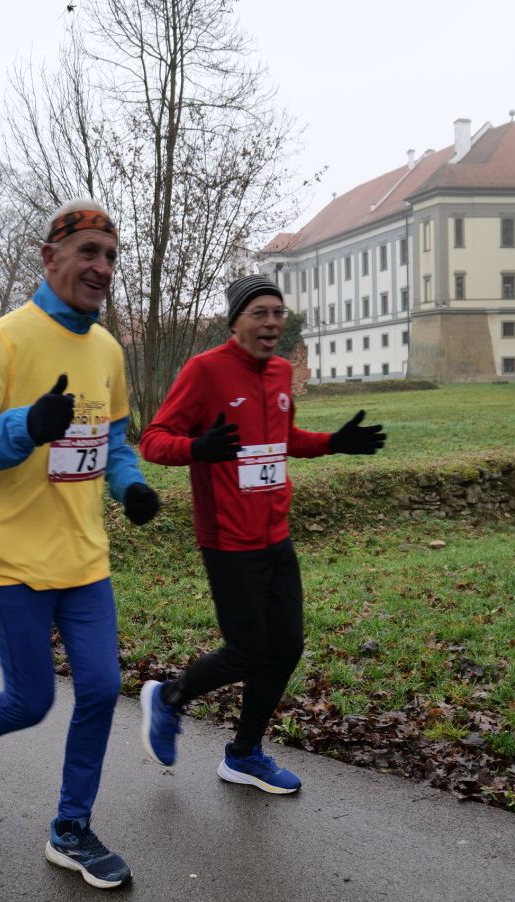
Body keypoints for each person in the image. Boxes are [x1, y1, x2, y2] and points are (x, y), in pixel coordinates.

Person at [0, 198, 161, 890]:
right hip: (14, 557)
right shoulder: (6, 340)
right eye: (88, 252)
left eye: (111, 256)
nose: (102, 267)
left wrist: (131, 486)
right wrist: (27, 424)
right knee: (29, 700)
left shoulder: (110, 350)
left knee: (101, 687)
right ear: (50, 259)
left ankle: (70, 828)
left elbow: (113, 442)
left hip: (83, 556)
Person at [137, 274, 386, 794]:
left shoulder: (280, 372)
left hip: (276, 534)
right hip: (227, 539)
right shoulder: (204, 371)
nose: (272, 321)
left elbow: (283, 438)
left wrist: (334, 443)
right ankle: (168, 697)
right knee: (248, 651)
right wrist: (197, 449)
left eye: (278, 311)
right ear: (237, 321)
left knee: (288, 646)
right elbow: (154, 440)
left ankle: (244, 753)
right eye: (260, 313)